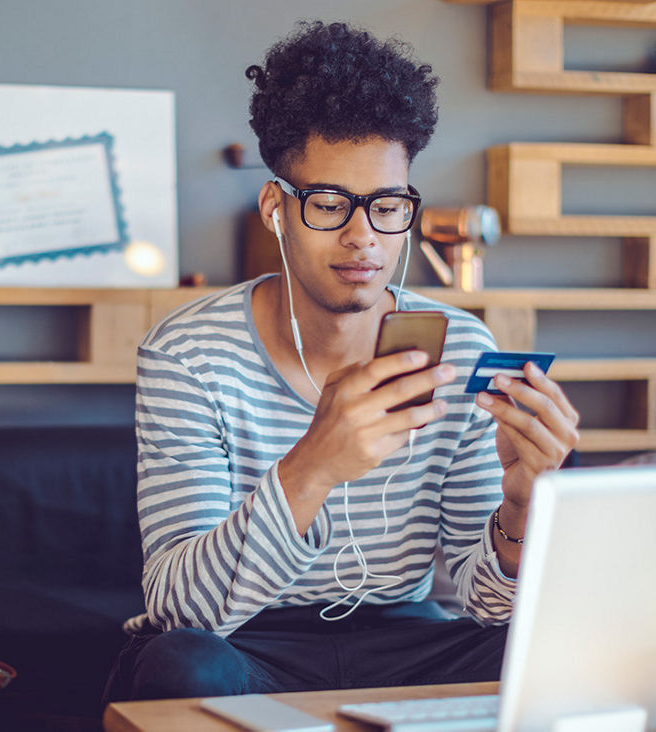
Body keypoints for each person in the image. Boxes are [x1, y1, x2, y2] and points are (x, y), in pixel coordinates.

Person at [104, 20, 579, 702]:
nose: (363, 238)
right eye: (330, 205)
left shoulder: (462, 349)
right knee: (182, 665)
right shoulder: (189, 355)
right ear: (277, 208)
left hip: (409, 640)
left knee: (549, 646)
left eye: (387, 206)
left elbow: (486, 607)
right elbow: (186, 612)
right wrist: (313, 466)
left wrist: (523, 508)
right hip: (247, 645)